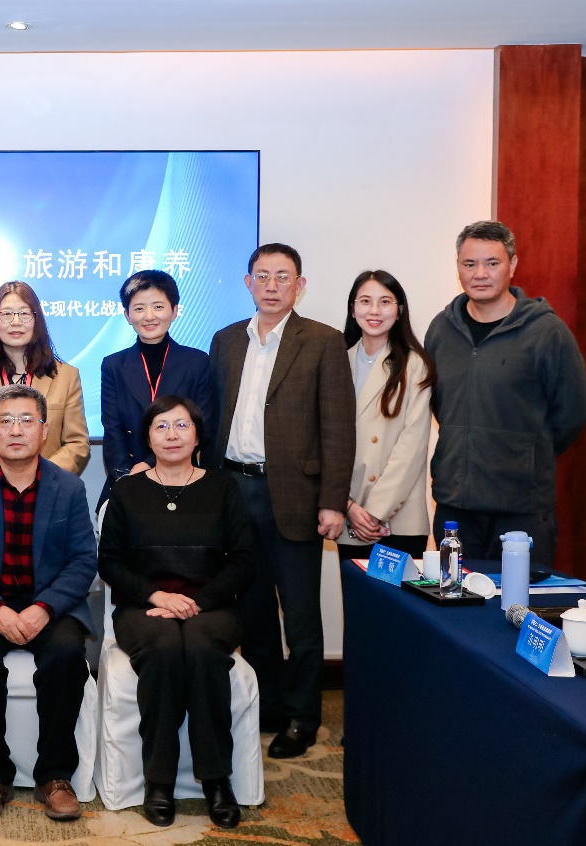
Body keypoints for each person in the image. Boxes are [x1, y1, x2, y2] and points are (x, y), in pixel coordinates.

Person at [209, 243, 354, 759]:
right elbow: (214, 415)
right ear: (248, 282)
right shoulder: (226, 340)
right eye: (263, 276)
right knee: (251, 611)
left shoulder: (323, 341)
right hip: (234, 489)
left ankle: (302, 716)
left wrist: (332, 501)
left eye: (283, 276)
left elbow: (338, 428)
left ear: (300, 285)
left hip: (295, 494)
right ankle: (268, 704)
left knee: (300, 614)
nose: (272, 286)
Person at [0, 384, 97, 823]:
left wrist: (44, 608)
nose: (16, 430)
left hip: (50, 606)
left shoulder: (68, 487)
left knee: (67, 654)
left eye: (27, 420)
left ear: (44, 430)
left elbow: (84, 560)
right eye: (5, 421)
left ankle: (55, 775)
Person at [99, 395, 254, 830]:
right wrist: (156, 596)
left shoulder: (223, 487)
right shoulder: (127, 490)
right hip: (143, 608)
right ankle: (159, 780)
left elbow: (244, 560)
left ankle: (216, 780)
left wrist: (197, 602)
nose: (172, 435)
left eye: (182, 426)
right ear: (148, 438)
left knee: (202, 648)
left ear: (198, 436)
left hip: (212, 606)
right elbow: (109, 562)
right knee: (164, 649)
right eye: (161, 426)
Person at [424, 221, 586, 566]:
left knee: (519, 598)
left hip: (521, 511)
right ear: (458, 267)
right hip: (456, 509)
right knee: (456, 598)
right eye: (470, 264)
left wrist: (525, 451)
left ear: (512, 265)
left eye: (492, 263)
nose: (480, 274)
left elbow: (572, 413)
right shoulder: (441, 329)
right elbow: (444, 406)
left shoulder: (547, 332)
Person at [336, 271, 435, 562]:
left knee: (396, 594)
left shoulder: (415, 365)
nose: (375, 311)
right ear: (353, 309)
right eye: (365, 301)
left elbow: (411, 448)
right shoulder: (336, 360)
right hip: (349, 515)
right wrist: (347, 506)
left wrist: (374, 512)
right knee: (357, 593)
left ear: (399, 310)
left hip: (398, 519)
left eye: (385, 302)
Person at [100, 270, 216, 506]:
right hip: (128, 478)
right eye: (139, 308)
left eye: (158, 307)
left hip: (182, 478)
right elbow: (113, 430)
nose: (149, 316)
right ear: (127, 315)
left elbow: (203, 425)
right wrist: (127, 478)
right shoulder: (113, 365)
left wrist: (149, 465)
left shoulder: (197, 362)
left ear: (174, 311)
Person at [0, 281, 89, 475]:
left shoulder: (66, 377)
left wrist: (40, 478)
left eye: (24, 313)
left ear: (36, 320)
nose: (16, 322)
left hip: (46, 487)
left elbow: (77, 443)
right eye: (6, 314)